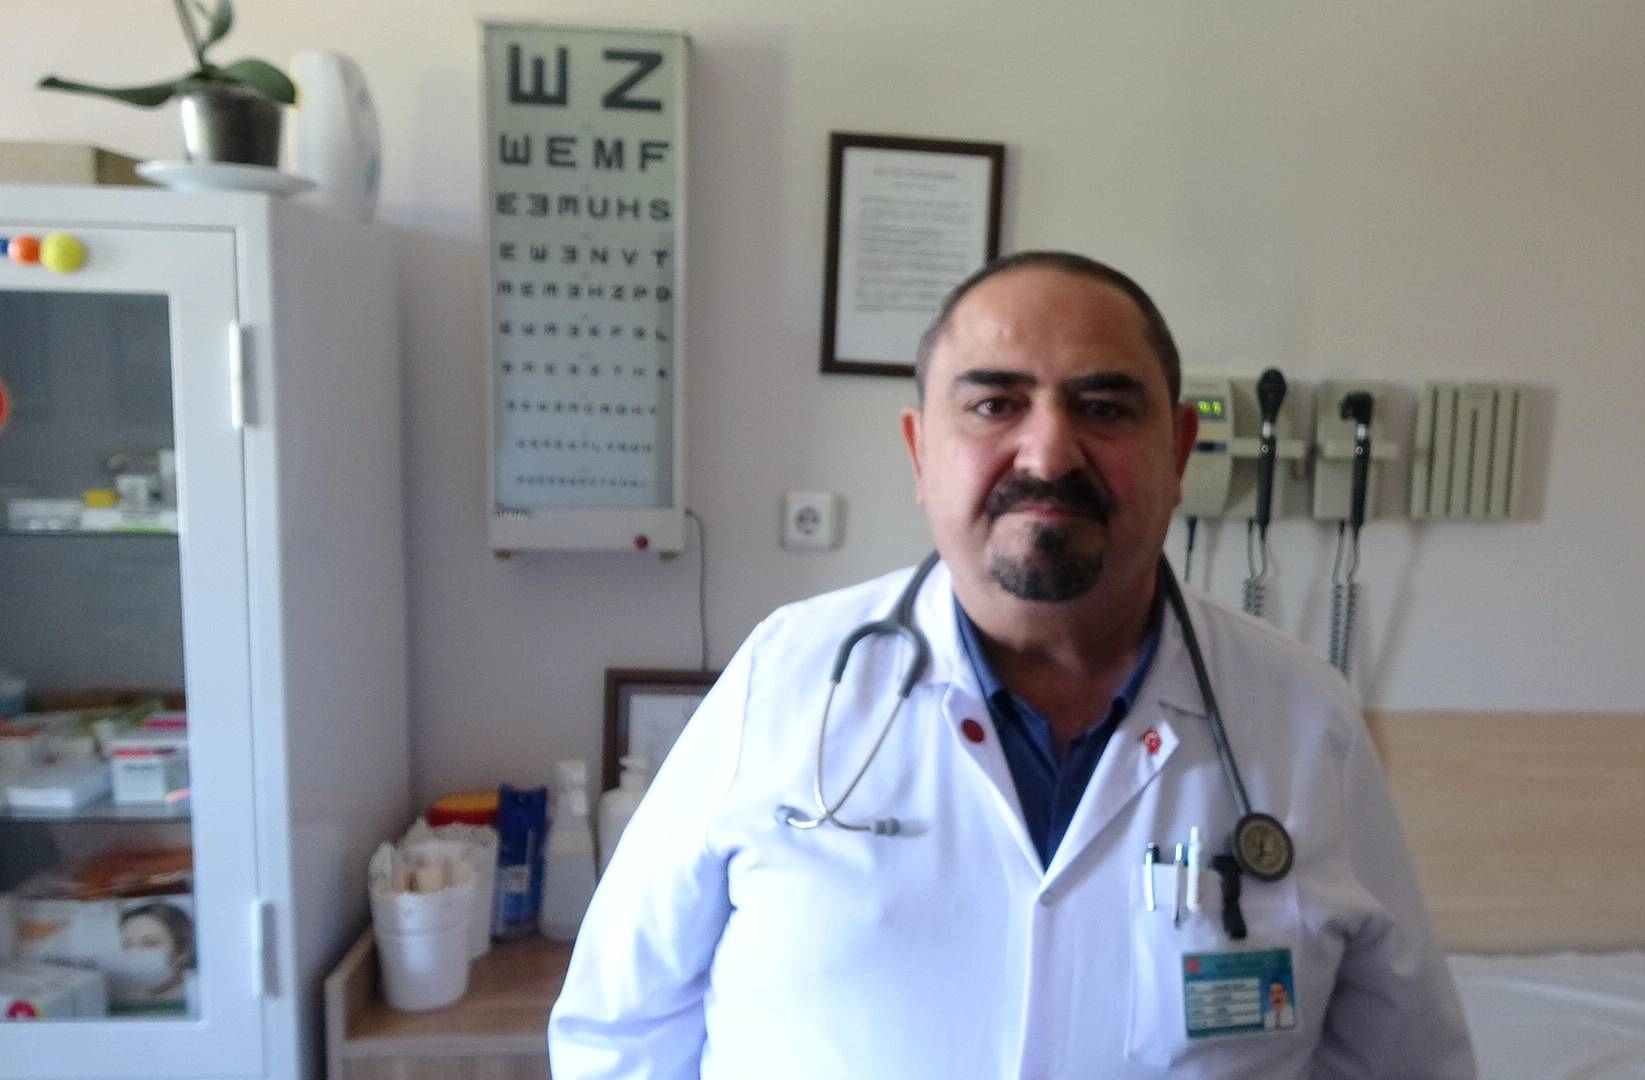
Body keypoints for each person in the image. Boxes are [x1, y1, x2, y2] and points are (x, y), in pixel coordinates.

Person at [550, 251, 1474, 1079]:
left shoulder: (1306, 718)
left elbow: (1405, 1063)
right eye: (995, 404)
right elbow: (619, 1034)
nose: (1049, 451)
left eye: (1103, 408)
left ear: (1179, 452)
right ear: (921, 451)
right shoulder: (782, 678)